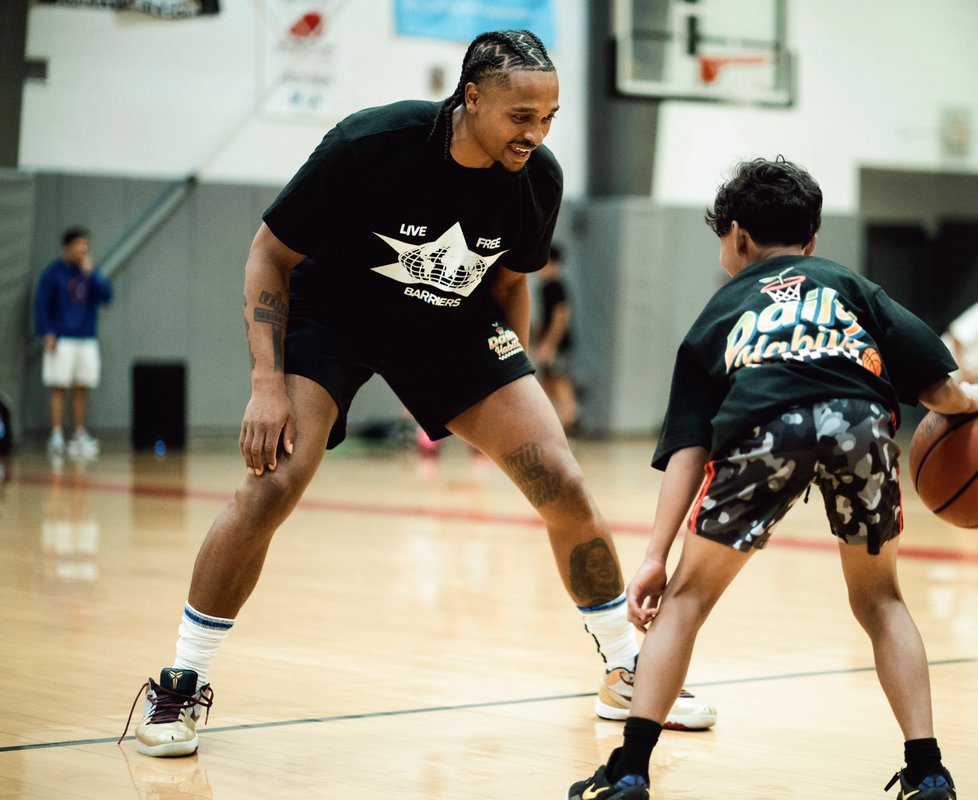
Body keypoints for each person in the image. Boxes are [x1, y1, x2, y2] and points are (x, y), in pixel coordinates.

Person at [122, 29, 713, 759]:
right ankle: (178, 682)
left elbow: (508, 283)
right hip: (334, 318)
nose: (537, 133)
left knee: (559, 477)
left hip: (449, 327)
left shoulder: (537, 178)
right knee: (275, 483)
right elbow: (269, 253)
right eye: (521, 116)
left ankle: (627, 668)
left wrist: (512, 380)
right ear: (471, 97)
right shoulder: (373, 144)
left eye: (550, 117)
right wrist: (266, 384)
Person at [567, 157, 978, 800]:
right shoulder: (849, 284)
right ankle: (927, 770)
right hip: (861, 423)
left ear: (738, 235)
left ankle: (631, 767)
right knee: (882, 601)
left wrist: (655, 558)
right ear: (810, 240)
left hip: (766, 426)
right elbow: (940, 388)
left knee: (685, 604)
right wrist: (977, 402)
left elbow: (689, 450)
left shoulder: (719, 316)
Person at [34, 227, 113, 459]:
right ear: (67, 247)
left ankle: (79, 433)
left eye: (85, 245)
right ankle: (57, 434)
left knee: (82, 385)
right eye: (78, 244)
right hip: (61, 338)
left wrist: (94, 275)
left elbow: (107, 296)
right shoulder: (53, 274)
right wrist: (47, 331)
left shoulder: (89, 273)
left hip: (86, 337)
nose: (83, 249)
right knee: (59, 385)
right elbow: (41, 304)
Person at [534, 243, 577, 430]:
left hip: (557, 344)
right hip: (550, 342)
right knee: (547, 381)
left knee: (560, 380)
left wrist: (550, 344)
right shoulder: (546, 287)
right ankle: (557, 419)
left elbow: (561, 316)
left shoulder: (556, 286)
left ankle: (570, 419)